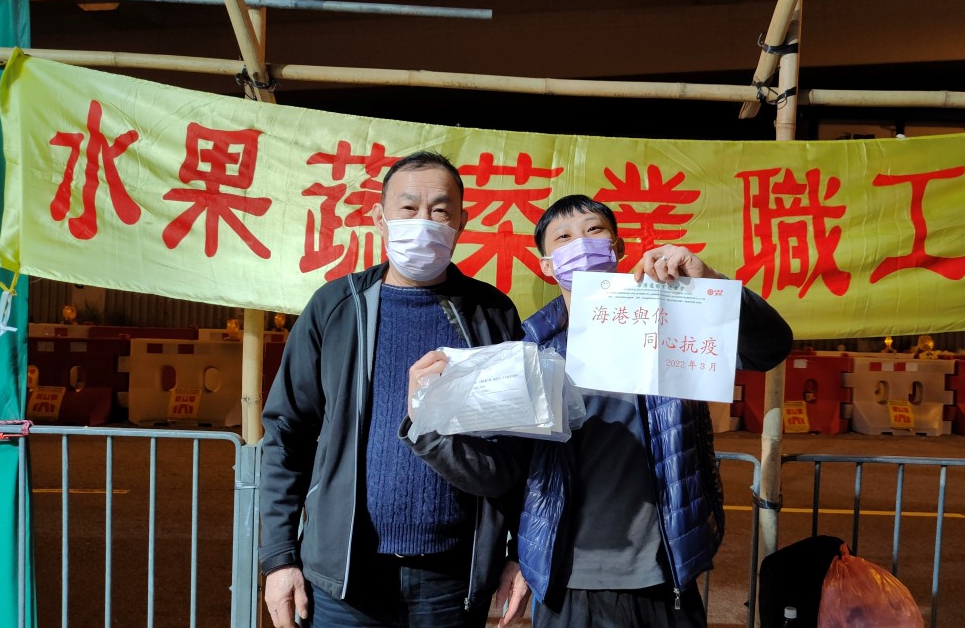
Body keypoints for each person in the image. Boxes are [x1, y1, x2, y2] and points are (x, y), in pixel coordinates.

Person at [404, 193, 794, 627]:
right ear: (547, 265)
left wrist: (713, 286)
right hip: (567, 582)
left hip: (666, 574)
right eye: (564, 238)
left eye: (593, 231)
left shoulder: (672, 320)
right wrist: (517, 553)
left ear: (618, 248)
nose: (581, 243)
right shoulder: (528, 352)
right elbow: (510, 469)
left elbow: (771, 348)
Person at [259, 150, 526, 628]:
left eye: (440, 211)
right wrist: (279, 557)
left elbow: (519, 447)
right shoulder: (335, 308)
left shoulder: (491, 314)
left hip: (452, 580)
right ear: (379, 218)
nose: (424, 222)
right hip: (346, 581)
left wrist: (519, 552)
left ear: (461, 223)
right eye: (408, 207)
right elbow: (286, 436)